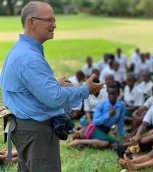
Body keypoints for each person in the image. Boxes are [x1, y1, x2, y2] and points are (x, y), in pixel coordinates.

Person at [0, 1, 104, 172]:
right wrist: (86, 90)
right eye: (49, 20)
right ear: (31, 22)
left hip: (24, 128)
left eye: (54, 20)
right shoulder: (29, 57)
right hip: (36, 131)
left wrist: (54, 85)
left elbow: (22, 87)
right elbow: (54, 98)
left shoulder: (20, 49)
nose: (54, 25)